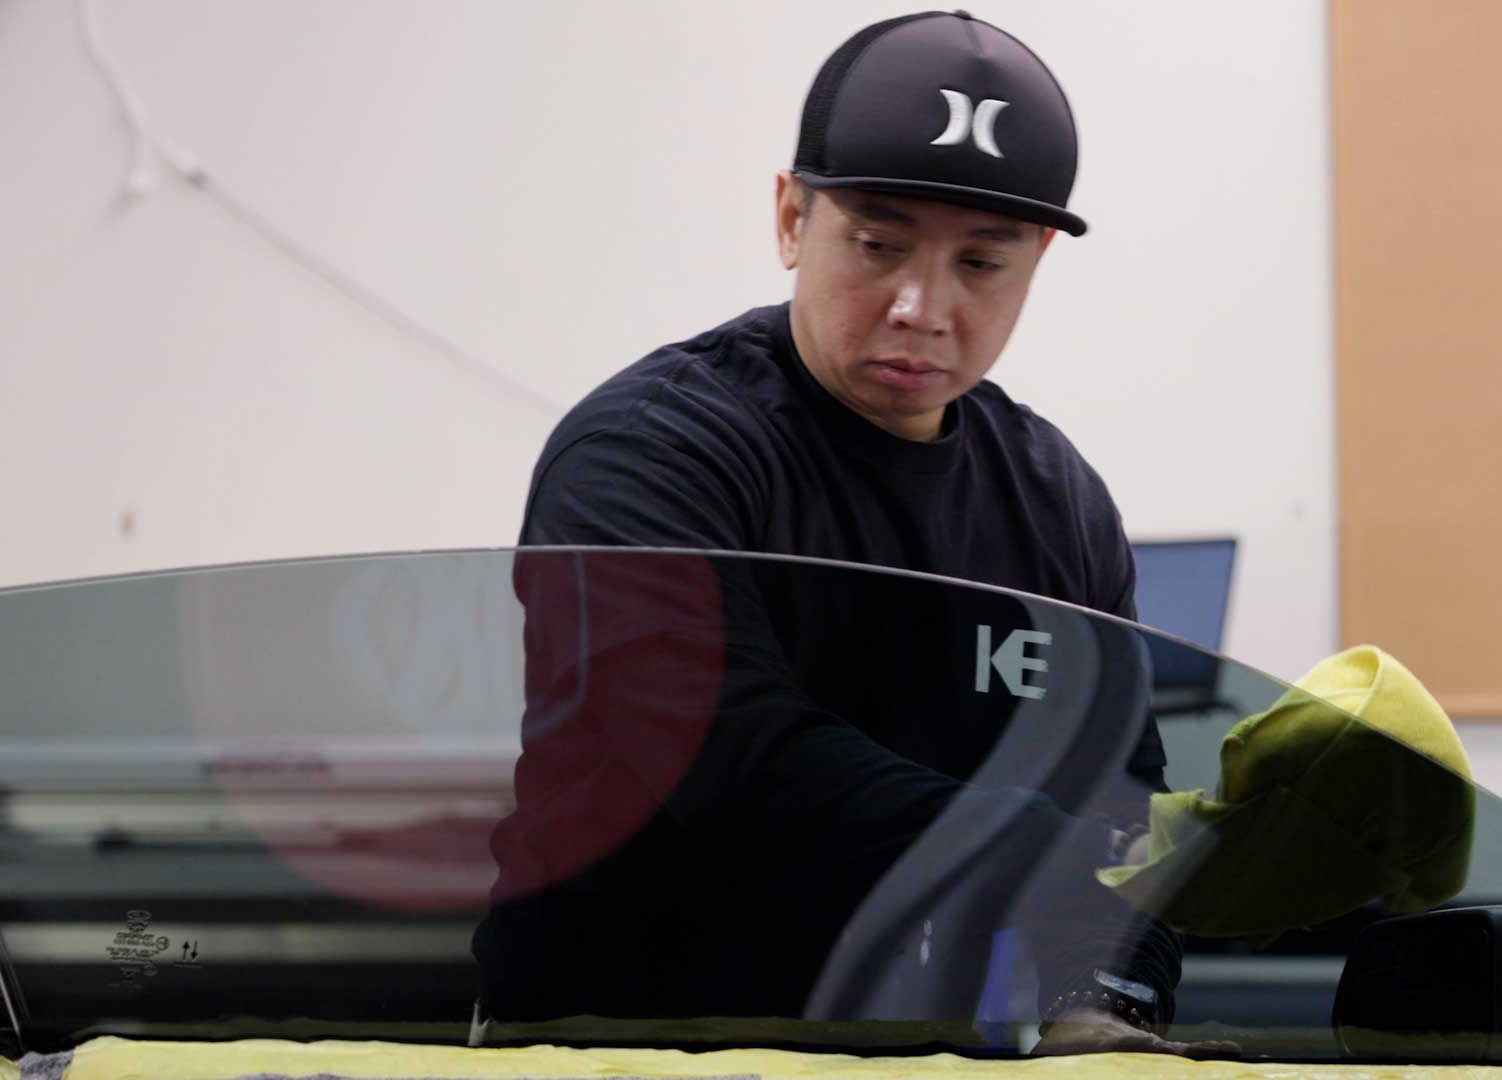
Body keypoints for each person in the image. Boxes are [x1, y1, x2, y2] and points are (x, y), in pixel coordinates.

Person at [475, 11, 1216, 1057]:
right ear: (790, 218)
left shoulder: (1059, 501)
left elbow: (1118, 797)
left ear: (1039, 257)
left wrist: (1116, 984)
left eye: (983, 263)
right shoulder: (648, 453)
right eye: (878, 245)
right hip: (622, 1044)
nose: (921, 305)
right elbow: (726, 760)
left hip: (918, 1052)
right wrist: (1061, 865)